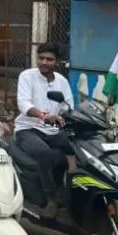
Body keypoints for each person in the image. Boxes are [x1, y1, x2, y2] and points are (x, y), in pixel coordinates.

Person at [14, 42, 74, 218]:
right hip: (28, 129)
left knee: (76, 149)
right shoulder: (27, 76)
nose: (44, 62)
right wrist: (43, 115)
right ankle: (52, 199)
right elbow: (23, 103)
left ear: (57, 62)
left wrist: (65, 117)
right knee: (45, 154)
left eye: (49, 59)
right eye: (41, 58)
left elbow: (68, 106)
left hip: (53, 131)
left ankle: (71, 193)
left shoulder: (61, 81)